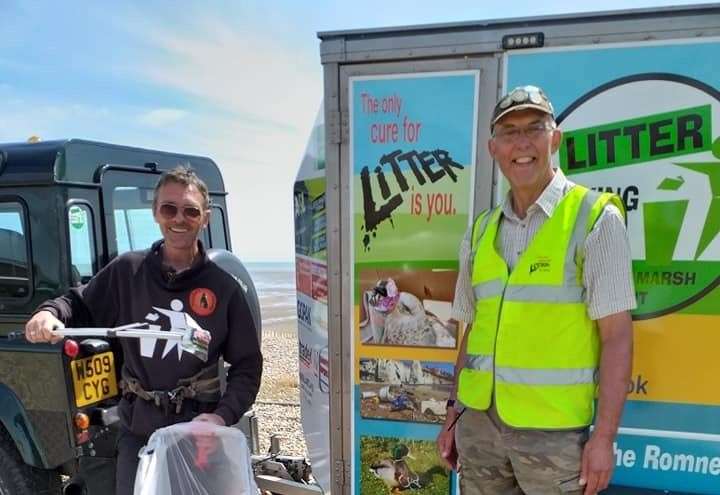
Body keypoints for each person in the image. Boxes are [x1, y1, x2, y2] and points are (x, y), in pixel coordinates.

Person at [436, 86, 635, 495]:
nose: (522, 142)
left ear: (554, 138)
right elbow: (472, 334)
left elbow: (616, 336)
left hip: (555, 439)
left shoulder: (595, 218)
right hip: (479, 429)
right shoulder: (480, 232)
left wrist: (604, 439)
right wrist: (453, 413)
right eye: (509, 132)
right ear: (494, 147)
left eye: (534, 128)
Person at [25, 165, 263, 495]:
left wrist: (222, 418)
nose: (179, 219)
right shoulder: (128, 271)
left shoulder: (223, 288)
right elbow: (78, 302)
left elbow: (248, 365)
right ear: (155, 212)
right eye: (169, 208)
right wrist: (49, 313)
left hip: (199, 436)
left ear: (204, 218)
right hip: (138, 431)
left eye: (190, 211)